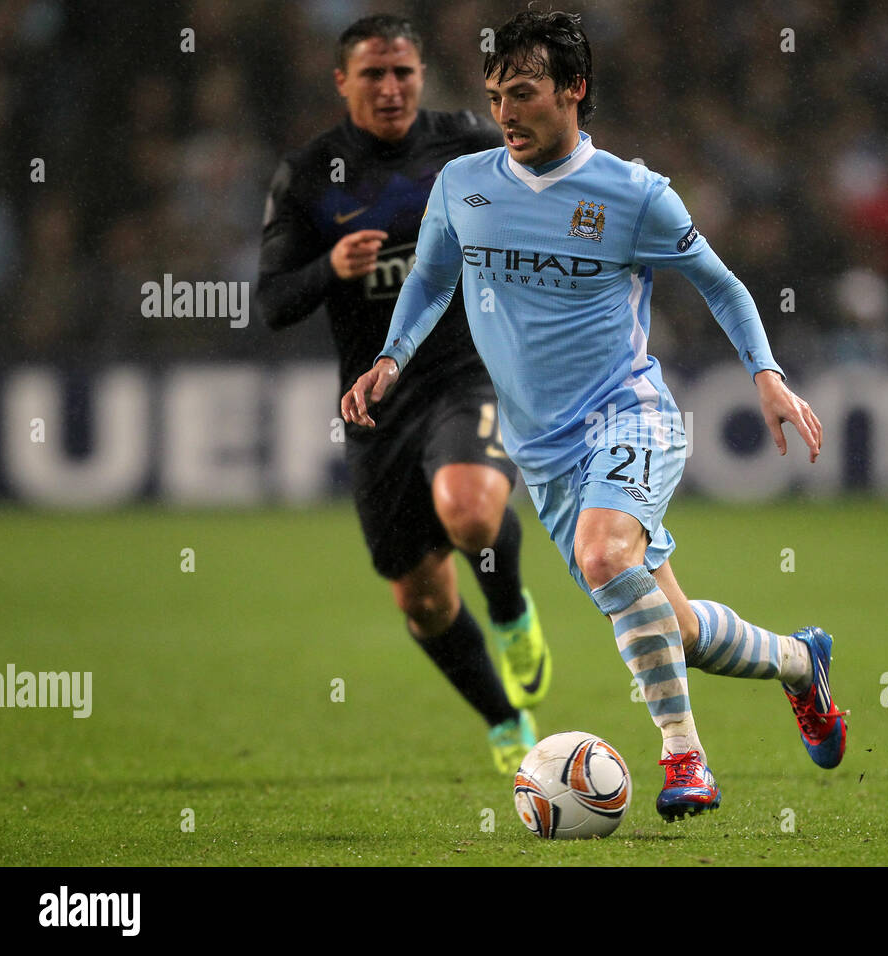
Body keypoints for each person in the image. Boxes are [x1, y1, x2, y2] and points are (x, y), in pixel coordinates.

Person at [342, 10, 846, 821]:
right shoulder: (464, 186)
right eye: (496, 94)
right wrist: (391, 358)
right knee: (674, 630)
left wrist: (767, 373)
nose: (506, 111)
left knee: (607, 556)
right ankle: (799, 662)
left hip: (629, 417)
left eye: (526, 93)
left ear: (574, 91)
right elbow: (432, 280)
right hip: (542, 457)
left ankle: (686, 761)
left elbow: (721, 282)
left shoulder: (634, 195)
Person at [258, 14, 550, 774]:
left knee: (472, 511)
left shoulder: (468, 142)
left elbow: (549, 191)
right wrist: (330, 269)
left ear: (421, 76)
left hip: (465, 370)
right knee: (421, 597)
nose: (391, 89)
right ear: (342, 82)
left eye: (403, 74)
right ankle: (502, 716)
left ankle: (514, 611)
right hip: (375, 402)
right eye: (373, 75)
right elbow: (271, 303)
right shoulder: (309, 174)